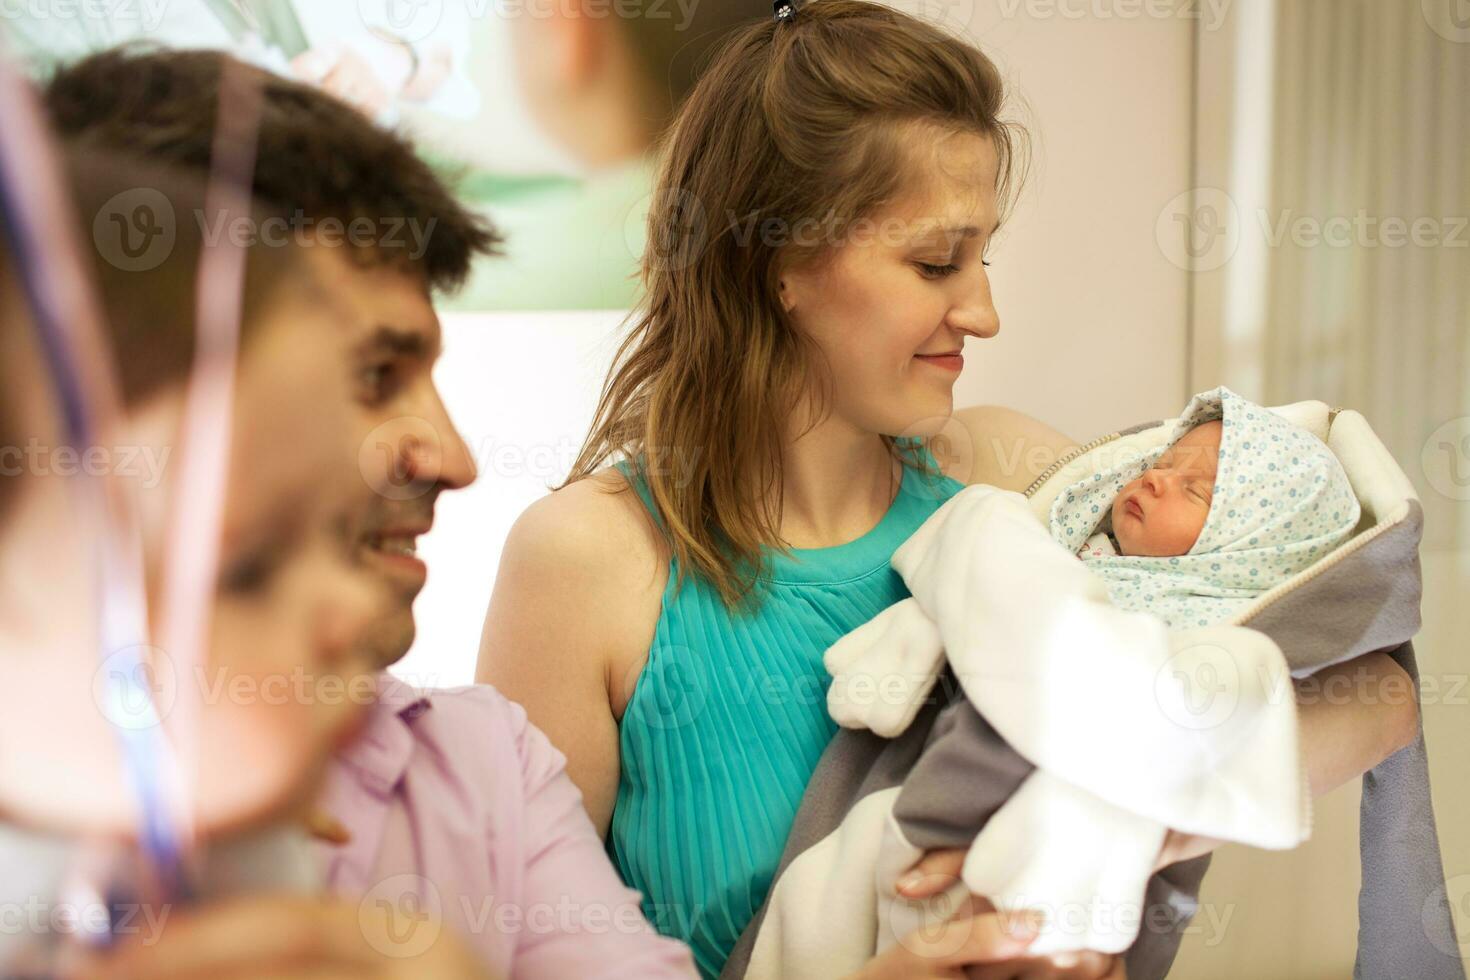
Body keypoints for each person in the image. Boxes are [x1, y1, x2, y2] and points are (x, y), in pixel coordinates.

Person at [475, 2, 1420, 978]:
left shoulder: (1016, 480)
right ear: (775, 264)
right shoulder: (585, 562)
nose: (984, 311)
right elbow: (500, 956)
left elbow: (1381, 693)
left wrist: (1130, 810)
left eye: (983, 256)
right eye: (935, 262)